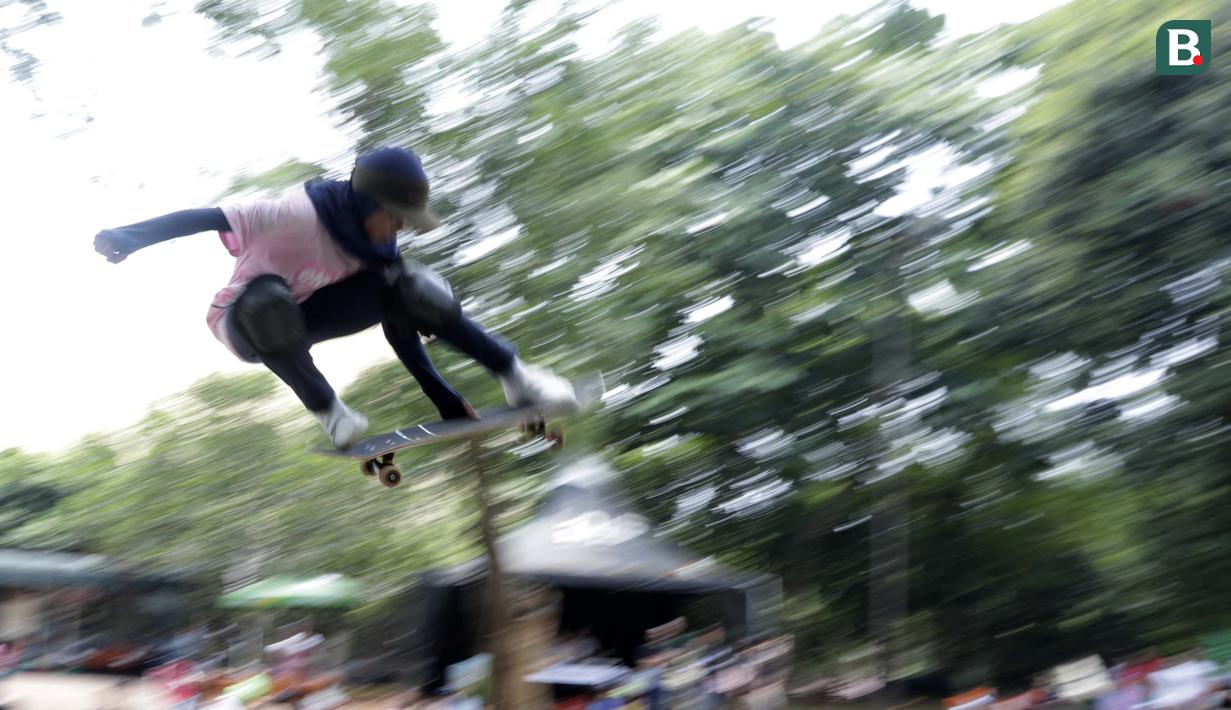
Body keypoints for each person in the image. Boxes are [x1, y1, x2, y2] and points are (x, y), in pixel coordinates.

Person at [94, 147, 577, 447]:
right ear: (369, 203)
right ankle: (328, 410)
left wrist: (444, 400)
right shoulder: (292, 214)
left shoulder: (377, 248)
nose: (402, 226)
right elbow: (203, 217)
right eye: (397, 214)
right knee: (269, 302)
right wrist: (130, 237)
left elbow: (401, 329)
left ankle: (515, 375)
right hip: (244, 321)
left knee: (410, 287)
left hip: (312, 315)